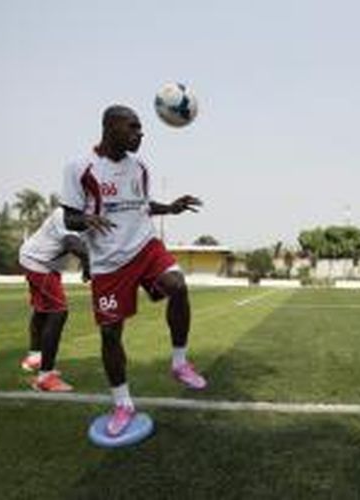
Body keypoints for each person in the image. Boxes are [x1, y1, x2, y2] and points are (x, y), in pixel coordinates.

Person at [60, 104, 207, 437]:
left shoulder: (139, 166)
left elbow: (141, 206)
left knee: (178, 286)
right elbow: (68, 217)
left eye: (140, 128)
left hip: (144, 247)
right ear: (110, 128)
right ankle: (123, 404)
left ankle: (180, 363)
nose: (140, 133)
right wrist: (85, 219)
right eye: (133, 127)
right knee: (111, 333)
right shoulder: (79, 167)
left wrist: (169, 208)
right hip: (109, 263)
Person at [19, 206, 90, 392]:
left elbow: (82, 245)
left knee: (42, 310)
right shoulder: (65, 216)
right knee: (58, 312)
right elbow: (74, 245)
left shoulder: (80, 216)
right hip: (39, 263)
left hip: (38, 259)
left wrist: (87, 266)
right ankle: (45, 377)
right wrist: (89, 265)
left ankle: (35, 357)